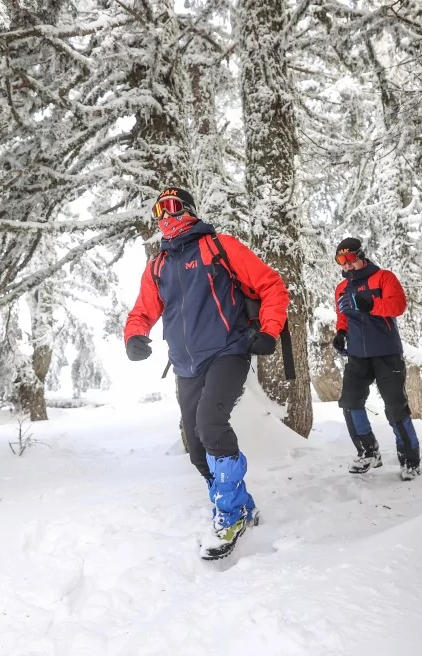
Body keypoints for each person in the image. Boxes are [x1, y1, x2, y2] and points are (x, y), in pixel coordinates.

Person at [124, 187, 289, 559]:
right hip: (185, 364)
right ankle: (241, 503)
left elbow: (271, 285)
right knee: (197, 446)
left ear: (191, 211)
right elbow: (142, 311)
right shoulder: (158, 267)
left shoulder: (219, 246)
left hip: (228, 351)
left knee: (211, 425)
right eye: (159, 211)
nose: (166, 216)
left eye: (173, 207)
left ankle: (229, 515)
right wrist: (134, 335)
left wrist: (268, 330)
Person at [330, 237, 421, 480]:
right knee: (350, 403)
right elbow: (343, 316)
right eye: (341, 260)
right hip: (358, 355)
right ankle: (368, 451)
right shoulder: (341, 288)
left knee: (394, 407)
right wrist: (340, 333)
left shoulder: (383, 278)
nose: (347, 265)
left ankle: (410, 459)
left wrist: (371, 304)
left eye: (350, 259)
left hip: (386, 353)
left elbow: (398, 306)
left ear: (361, 256)